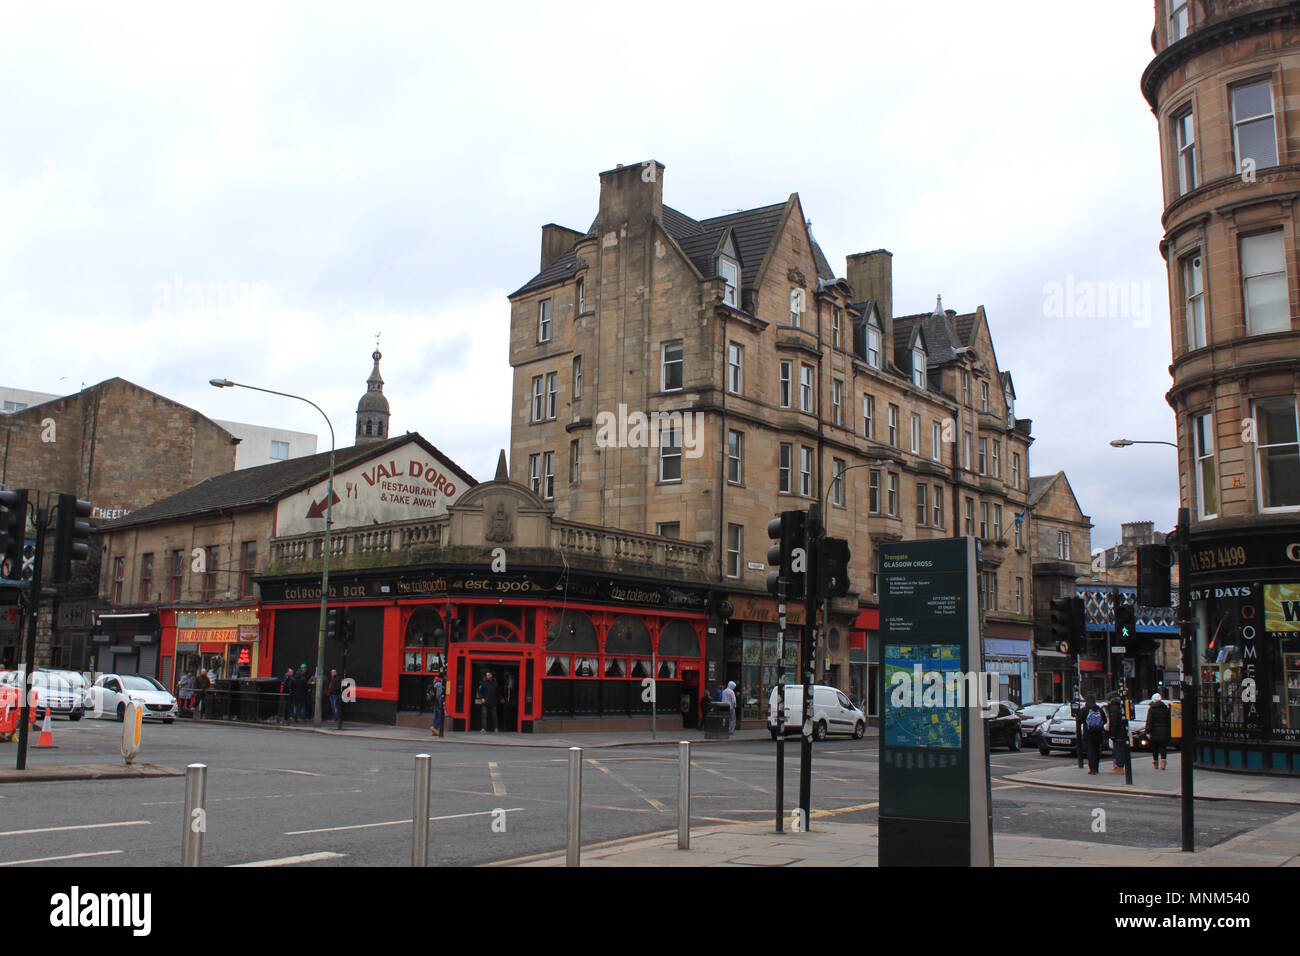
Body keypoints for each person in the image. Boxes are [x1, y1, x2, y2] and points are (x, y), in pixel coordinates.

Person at [1078, 695, 1106, 774]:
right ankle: (1096, 768)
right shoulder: (1099, 709)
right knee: (1097, 752)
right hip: (1098, 734)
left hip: (1088, 734)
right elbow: (1105, 720)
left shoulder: (1084, 710)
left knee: (1090, 752)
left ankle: (1092, 769)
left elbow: (1079, 721)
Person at [1147, 693, 1172, 770]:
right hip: (1164, 731)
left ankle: (1155, 763)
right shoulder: (1166, 708)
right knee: (1163, 747)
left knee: (1154, 748)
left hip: (1154, 731)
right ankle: (1163, 763)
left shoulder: (1151, 709)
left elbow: (1149, 721)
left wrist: (1147, 731)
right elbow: (1169, 721)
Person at [1107, 693, 1129, 775]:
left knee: (1118, 750)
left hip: (1118, 733)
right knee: (1121, 750)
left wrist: (1112, 734)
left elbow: (1114, 722)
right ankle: (1119, 766)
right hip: (1122, 732)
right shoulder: (1120, 706)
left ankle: (1119, 767)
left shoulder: (1113, 708)